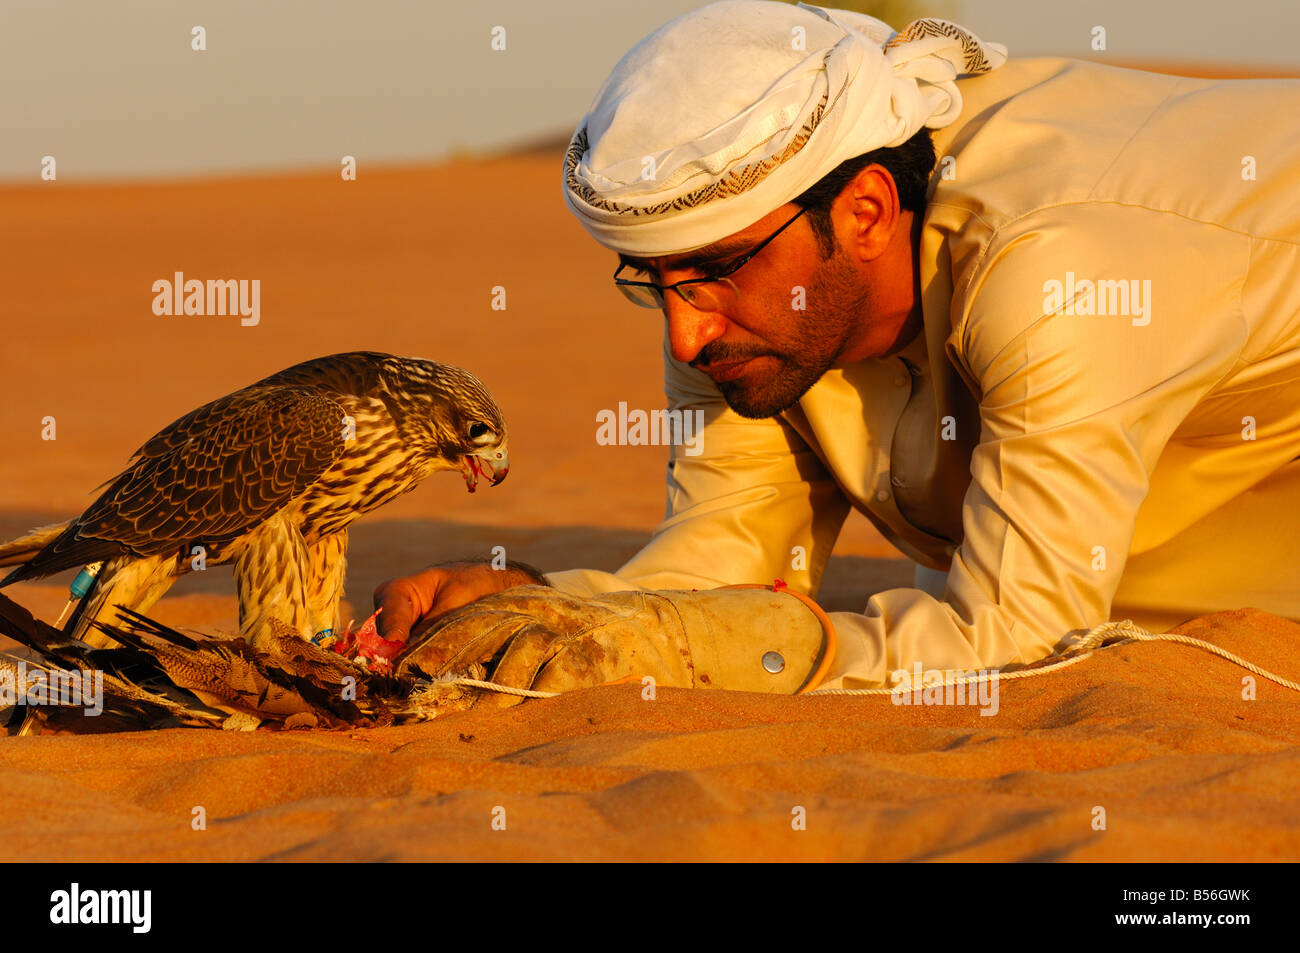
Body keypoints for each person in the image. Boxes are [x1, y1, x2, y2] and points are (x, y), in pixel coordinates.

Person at [374, 1, 1300, 698]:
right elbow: (726, 553)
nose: (685, 335)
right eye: (653, 281)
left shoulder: (1059, 270)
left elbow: (1012, 650)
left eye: (714, 272)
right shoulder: (729, 303)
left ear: (863, 212)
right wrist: (543, 603)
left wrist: (709, 648)